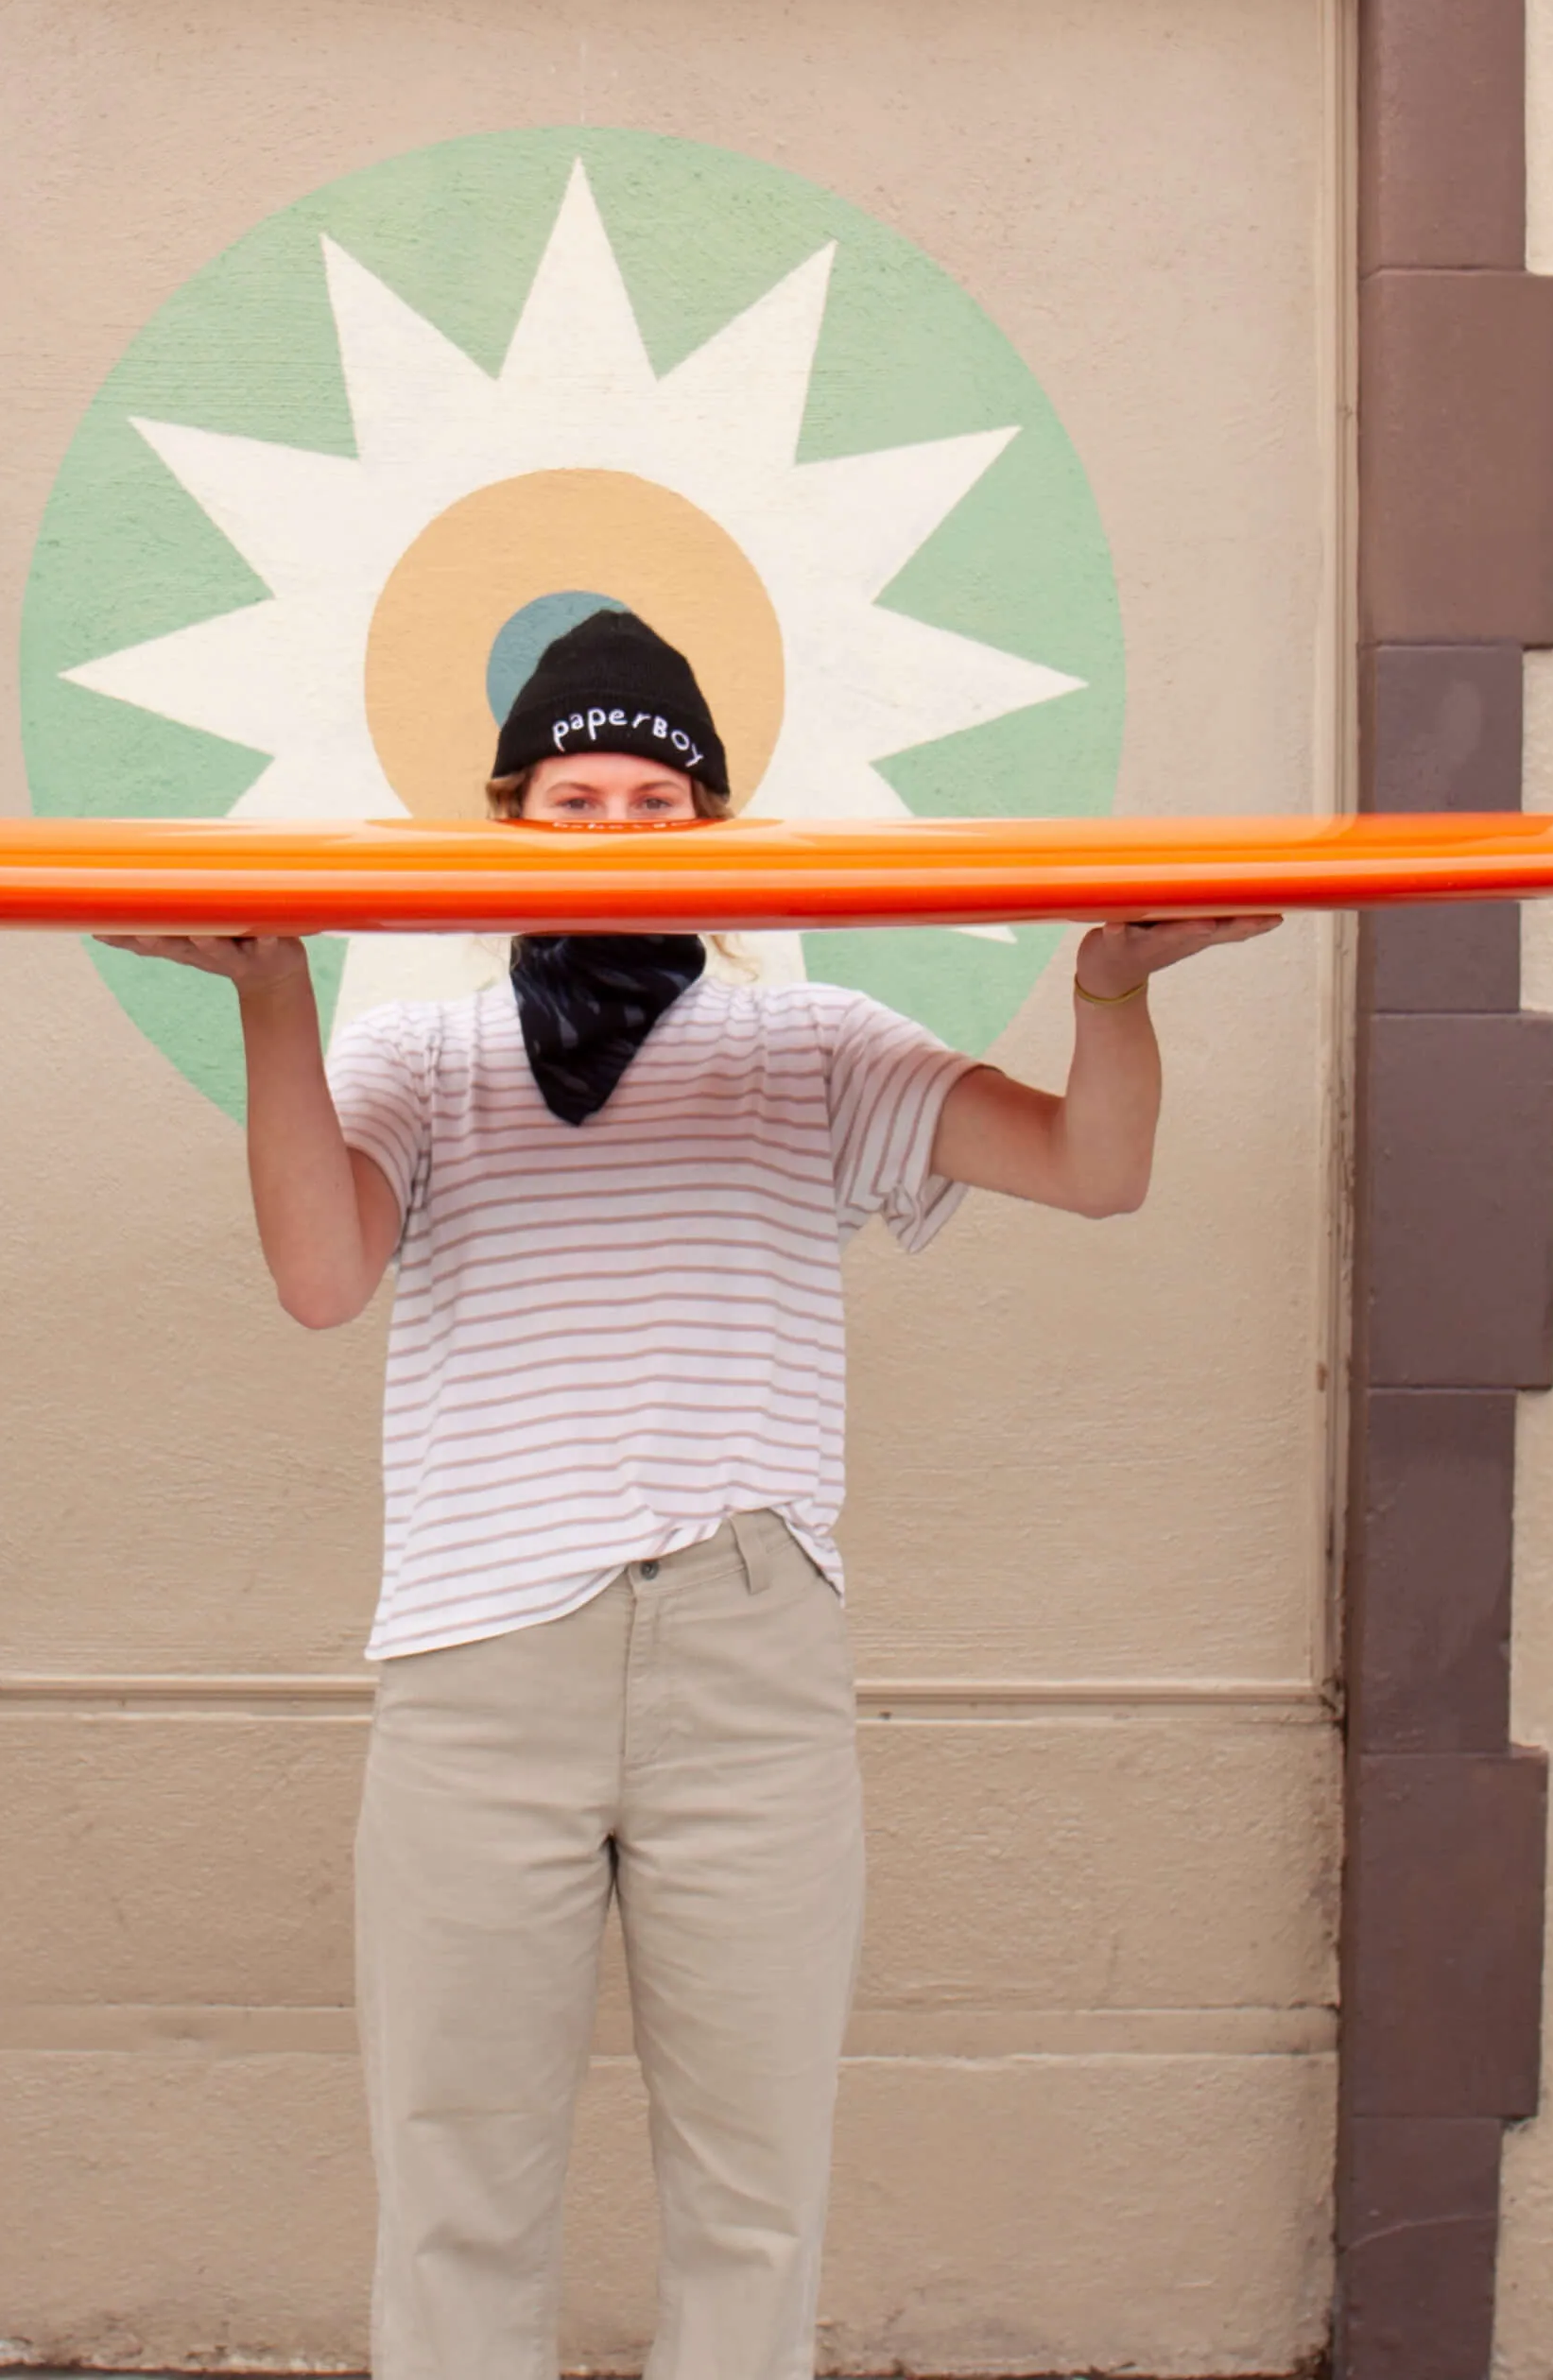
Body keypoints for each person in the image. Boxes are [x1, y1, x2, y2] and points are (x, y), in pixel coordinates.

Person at [102, 608, 1270, 2380]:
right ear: (506, 821)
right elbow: (322, 1278)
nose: (622, 828)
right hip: (481, 1666)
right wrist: (274, 992)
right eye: (579, 797)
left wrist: (1111, 986)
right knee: (455, 2186)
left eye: (664, 798)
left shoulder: (814, 1045)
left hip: (749, 1660)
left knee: (756, 2195)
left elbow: (1091, 1168)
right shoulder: (423, 1058)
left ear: (722, 830)